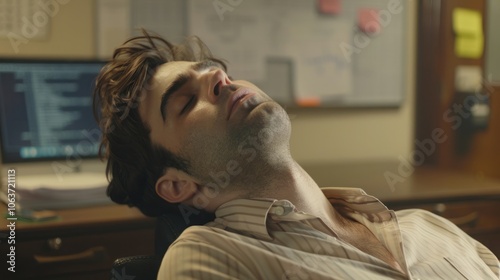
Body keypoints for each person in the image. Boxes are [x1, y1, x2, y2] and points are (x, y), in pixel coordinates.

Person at [93, 31, 500, 279]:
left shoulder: (428, 226)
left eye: (214, 70)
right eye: (184, 100)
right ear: (180, 185)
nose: (219, 77)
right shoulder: (209, 258)